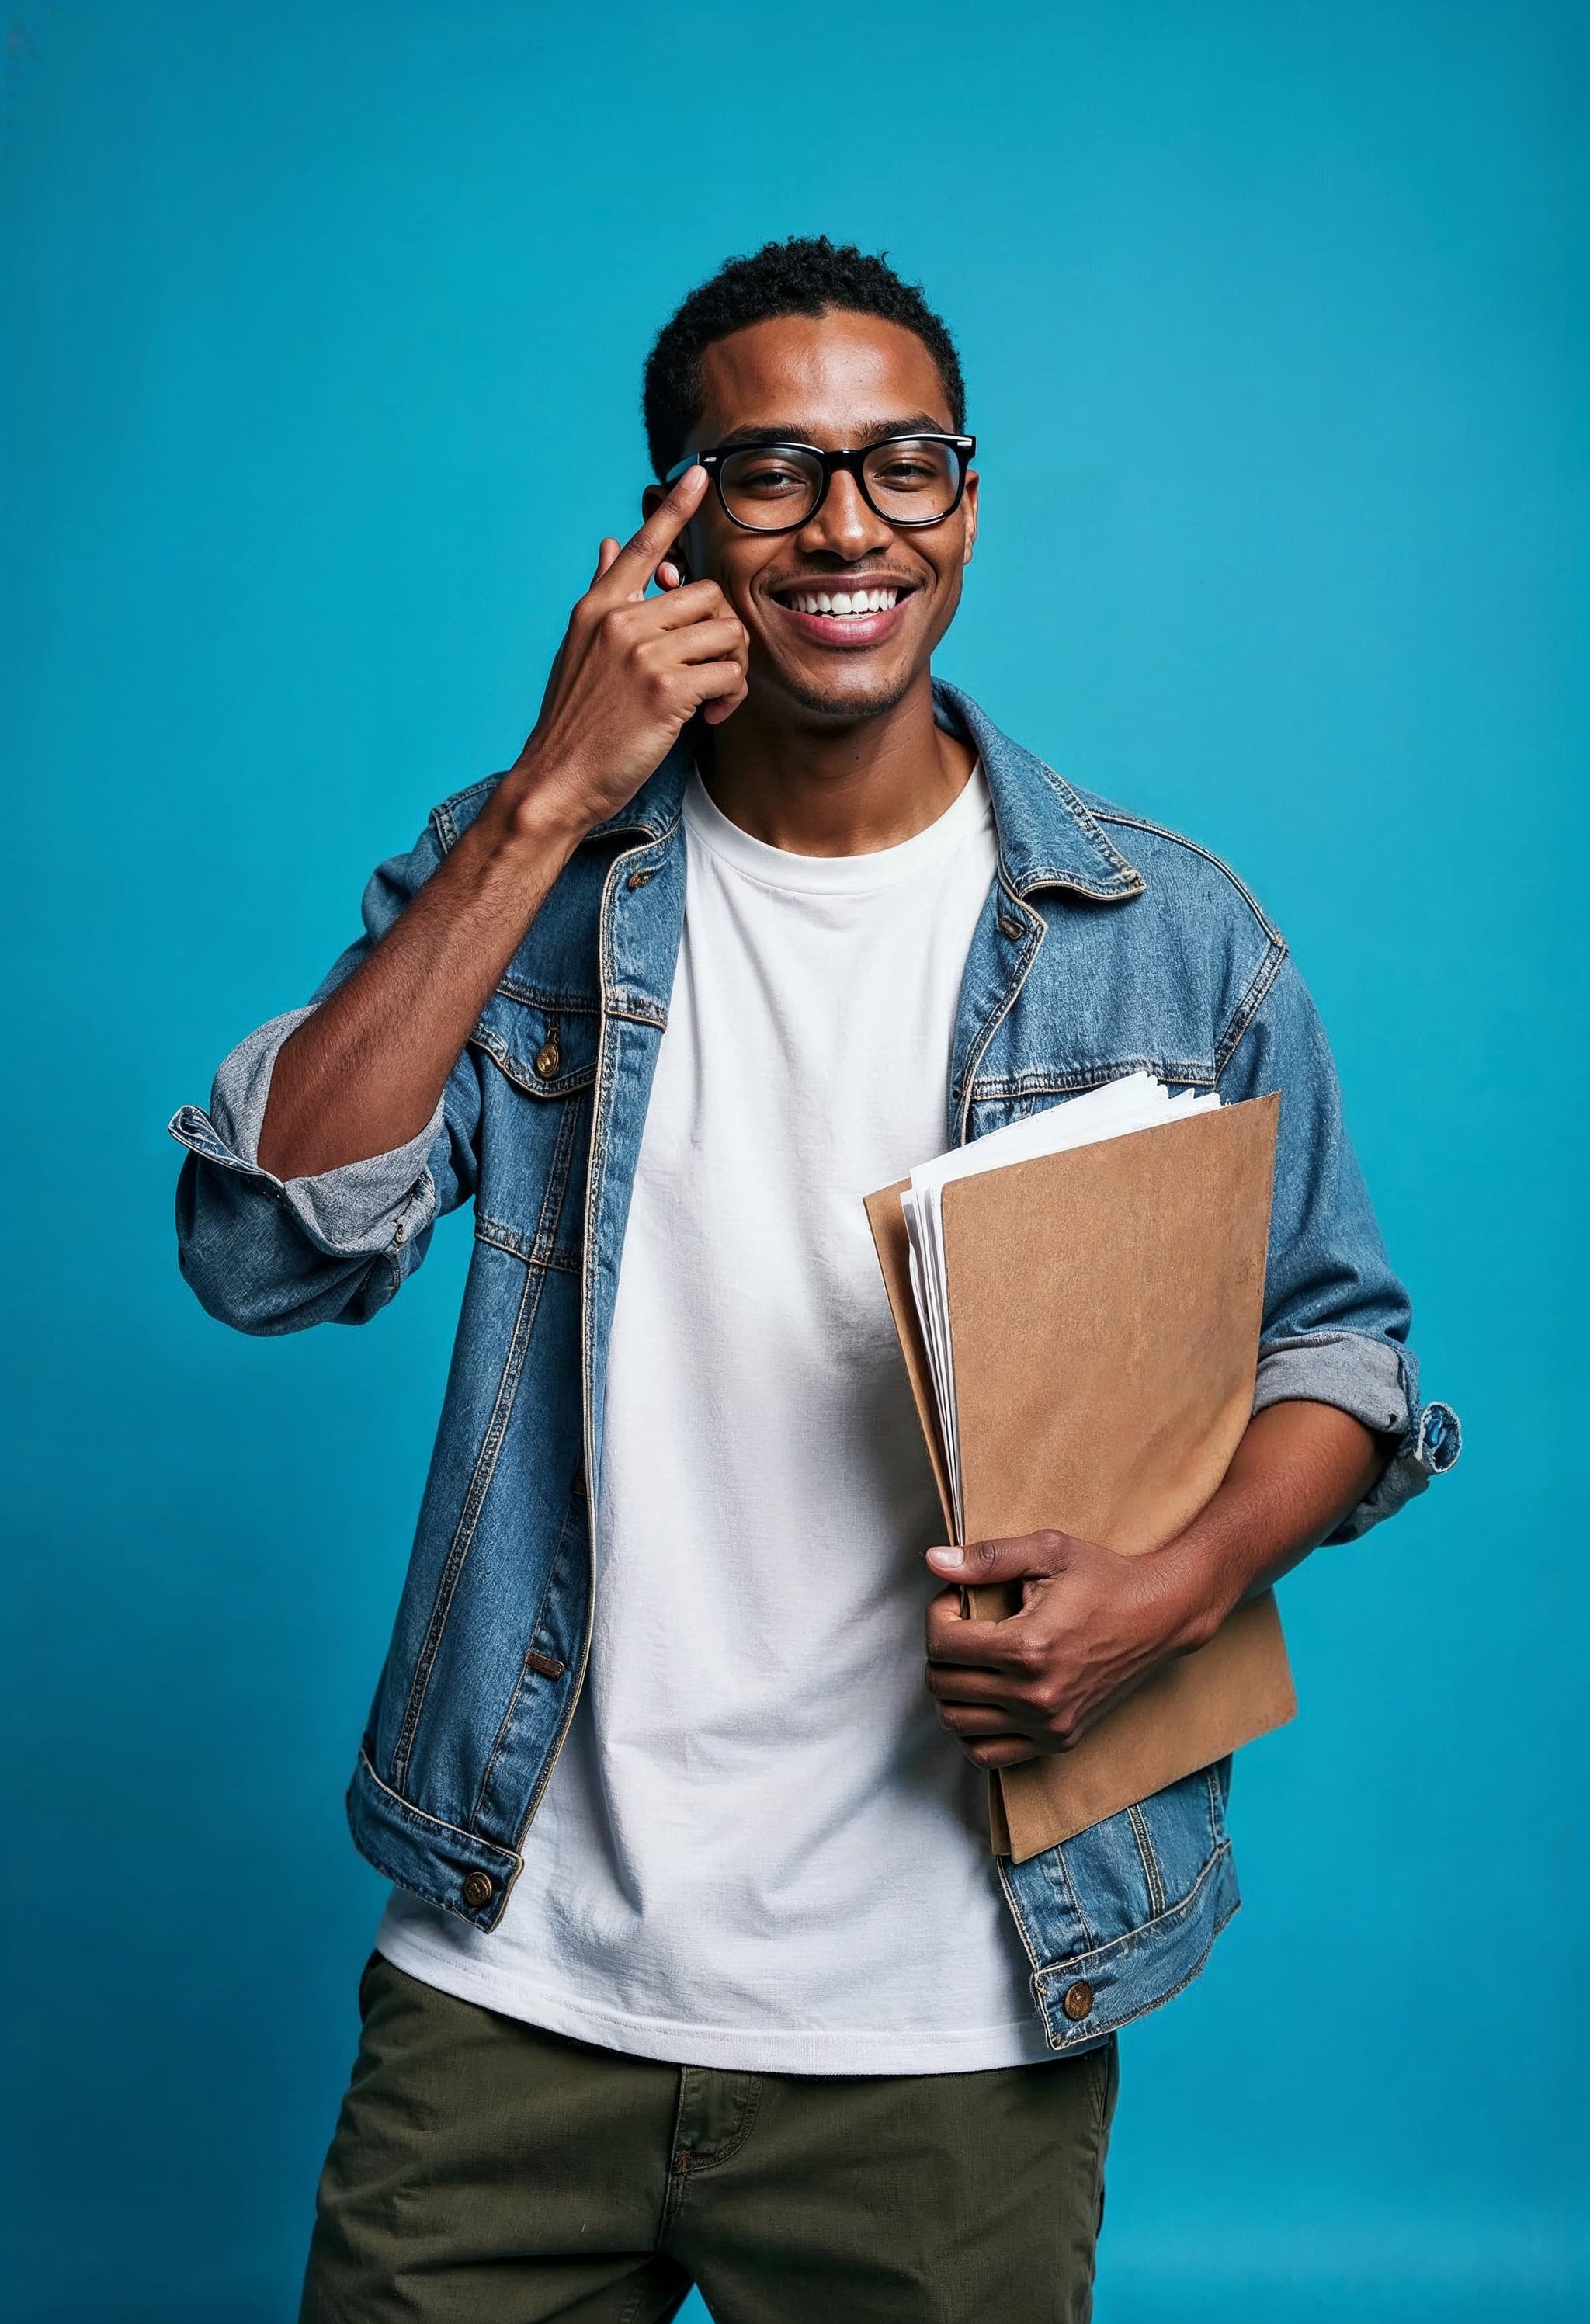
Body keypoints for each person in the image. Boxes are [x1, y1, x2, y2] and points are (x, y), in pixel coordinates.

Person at [171, 236, 1459, 2323]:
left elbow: (1341, 1347)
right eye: (766, 473)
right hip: (515, 1987)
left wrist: (1176, 1587)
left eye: (902, 465)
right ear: (666, 530)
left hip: (949, 2026)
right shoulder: (528, 882)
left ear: (968, 499)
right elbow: (262, 1244)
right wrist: (540, 806)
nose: (844, 523)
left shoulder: (1170, 937)